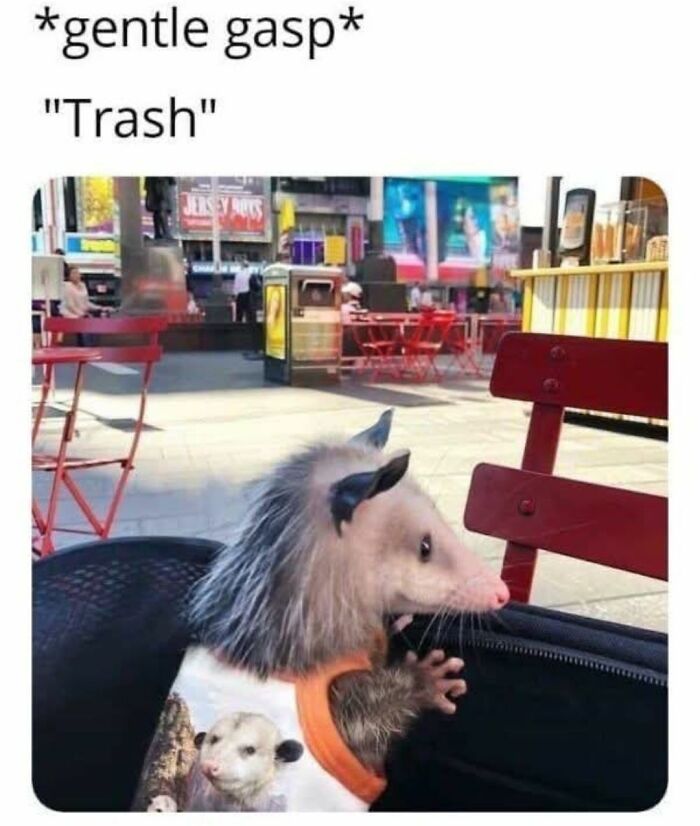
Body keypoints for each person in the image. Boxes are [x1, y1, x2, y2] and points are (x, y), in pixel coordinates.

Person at [60, 266, 111, 344]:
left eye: (78, 273)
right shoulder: (67, 286)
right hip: (71, 313)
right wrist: (82, 315)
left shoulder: (82, 285)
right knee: (85, 322)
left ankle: (93, 346)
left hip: (83, 314)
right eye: (74, 273)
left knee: (95, 322)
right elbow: (70, 305)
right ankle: (85, 345)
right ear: (69, 276)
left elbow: (86, 303)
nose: (77, 275)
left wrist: (100, 308)